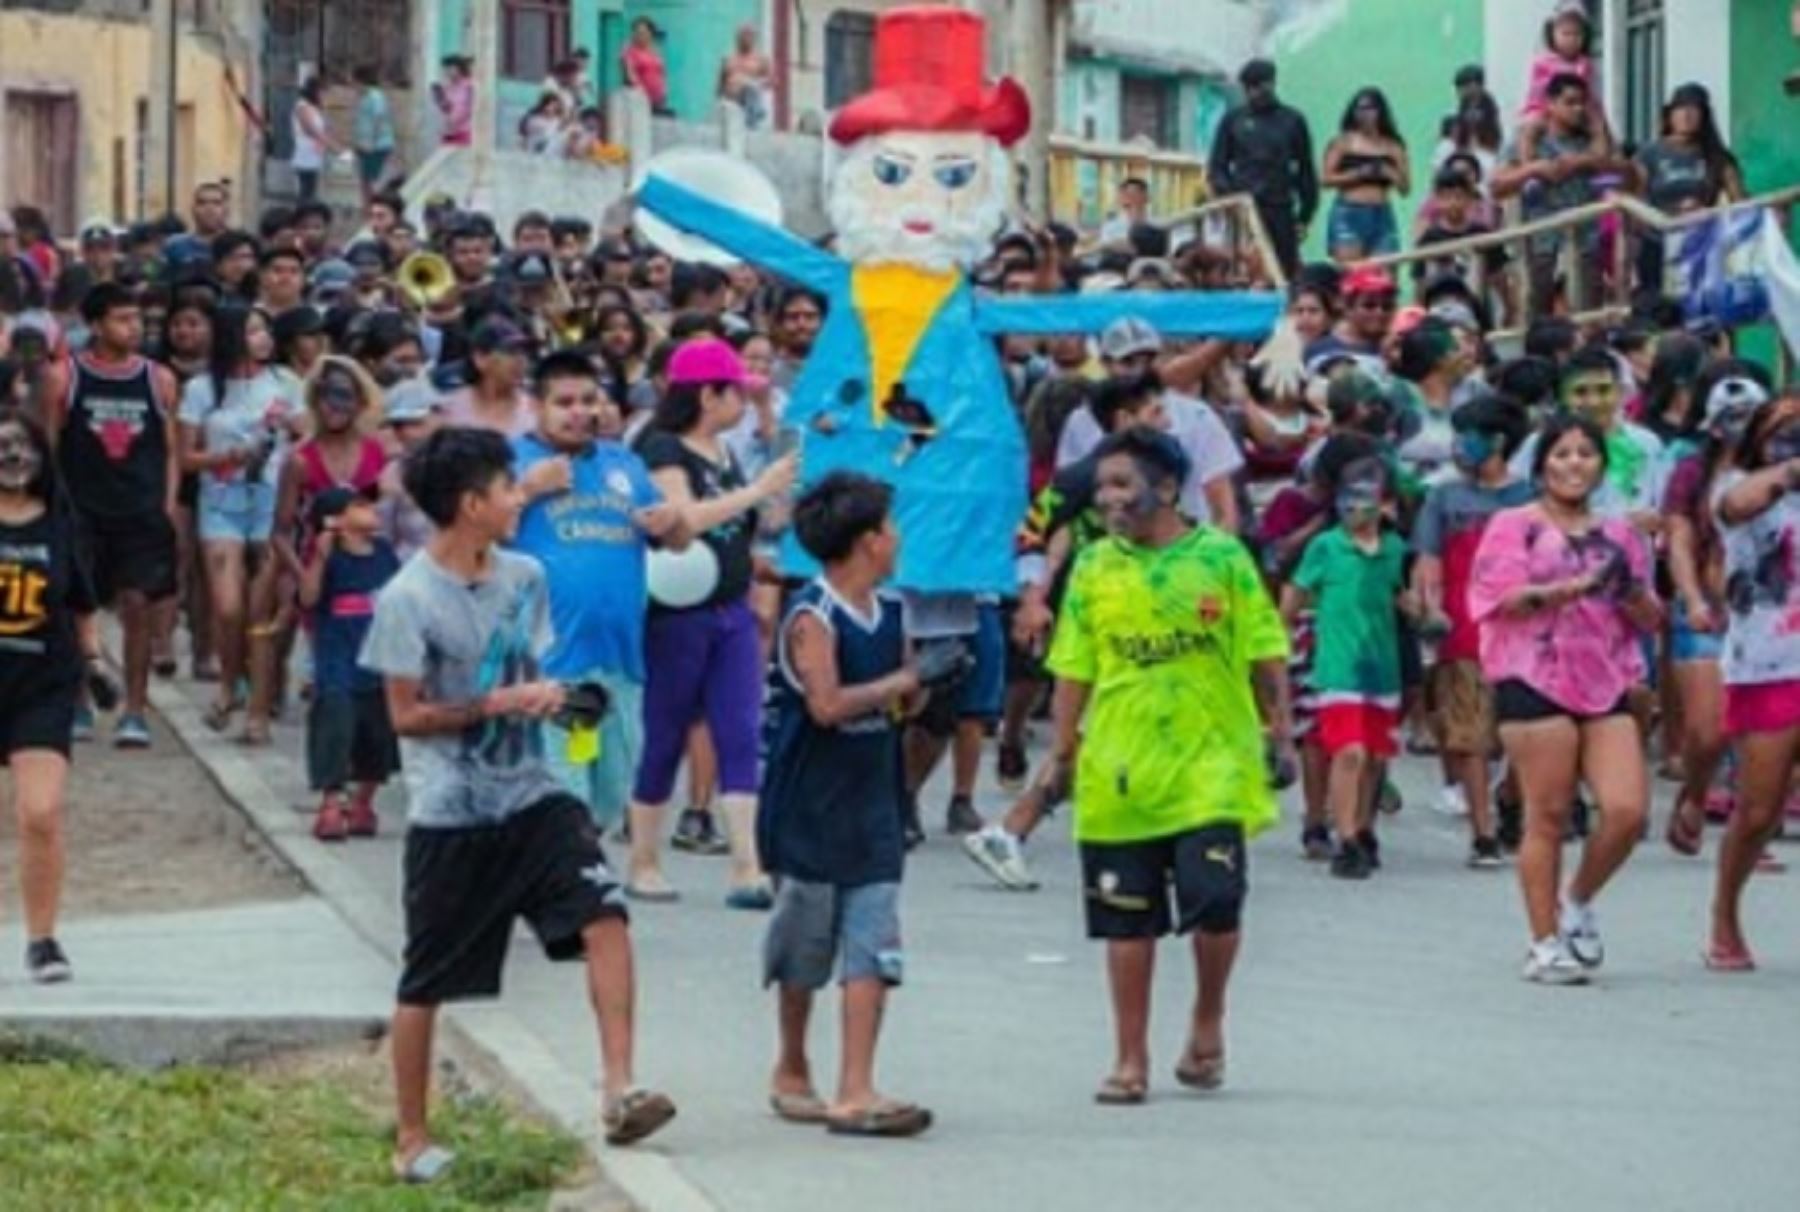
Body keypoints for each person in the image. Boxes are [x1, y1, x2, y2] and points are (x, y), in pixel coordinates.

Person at [359, 427, 675, 1181]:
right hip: (452, 811)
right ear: (472, 504)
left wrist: (564, 704)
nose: (518, 498)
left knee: (606, 916)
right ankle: (410, 1137)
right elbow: (405, 716)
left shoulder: (526, 575)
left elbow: (530, 668)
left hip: (535, 794)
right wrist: (495, 702)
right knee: (426, 980)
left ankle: (619, 1088)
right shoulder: (405, 599)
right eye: (508, 488)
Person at [1047, 428, 1291, 1103]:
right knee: (1127, 918)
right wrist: (1062, 754)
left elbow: (1266, 647)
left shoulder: (1222, 558)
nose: (1108, 499)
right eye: (1101, 488)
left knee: (1214, 901)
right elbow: (1073, 666)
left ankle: (1208, 1016)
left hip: (1212, 763)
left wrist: (1282, 730)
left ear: (1164, 488)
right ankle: (1130, 1058)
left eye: (1122, 485)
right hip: (1120, 770)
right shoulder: (1095, 566)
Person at [761, 471, 939, 1137]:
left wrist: (924, 685)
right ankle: (792, 1062)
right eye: (888, 529)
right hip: (809, 799)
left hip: (873, 798)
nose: (896, 540)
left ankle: (857, 1083)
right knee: (805, 943)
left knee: (873, 940)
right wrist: (900, 681)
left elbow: (903, 698)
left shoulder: (893, 611)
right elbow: (827, 705)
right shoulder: (813, 615)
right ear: (866, 541)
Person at [1469, 413, 1662, 985]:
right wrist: (1566, 590)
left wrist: (1626, 588)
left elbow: (1650, 616)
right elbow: (1498, 600)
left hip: (1605, 676)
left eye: (1585, 453)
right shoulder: (1513, 525)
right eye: (1562, 454)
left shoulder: (1622, 534)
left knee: (1626, 810)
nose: (1574, 464)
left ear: (1602, 464)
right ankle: (1543, 940)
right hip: (1532, 674)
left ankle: (1578, 899)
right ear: (1542, 464)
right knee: (1548, 812)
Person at [625, 338, 796, 905]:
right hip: (677, 615)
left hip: (732, 609)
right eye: (734, 391)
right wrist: (756, 491)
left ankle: (746, 865)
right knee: (666, 733)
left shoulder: (724, 451)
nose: (743, 402)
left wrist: (758, 558)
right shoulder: (663, 447)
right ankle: (644, 859)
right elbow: (685, 519)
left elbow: (737, 527)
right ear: (707, 394)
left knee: (740, 730)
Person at [510, 351, 686, 832]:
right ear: (535, 405)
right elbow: (476, 534)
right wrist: (526, 491)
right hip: (550, 665)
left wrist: (673, 522)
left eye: (589, 400)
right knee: (564, 805)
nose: (579, 412)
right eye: (564, 401)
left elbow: (676, 539)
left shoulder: (625, 464)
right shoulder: (513, 461)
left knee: (608, 803)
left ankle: (573, 888)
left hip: (620, 662)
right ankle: (567, 900)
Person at [39, 283, 180, 748]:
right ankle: (79, 698)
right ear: (96, 325)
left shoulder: (158, 379)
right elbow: (48, 446)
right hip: (81, 512)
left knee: (139, 605)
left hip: (139, 512)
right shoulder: (65, 377)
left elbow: (172, 448)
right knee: (74, 609)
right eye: (122, 318)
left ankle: (135, 710)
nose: (133, 327)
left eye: (137, 318)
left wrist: (168, 503)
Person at [0, 410, 111, 982]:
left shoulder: (62, 526)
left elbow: (82, 606)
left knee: (40, 812)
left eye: (23, 447)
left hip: (42, 685)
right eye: (3, 448)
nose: (13, 458)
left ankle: (42, 940)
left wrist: (94, 663)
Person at [1412, 393, 1533, 863]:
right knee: (1470, 735)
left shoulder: (1531, 498)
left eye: (1470, 436)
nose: (1460, 445)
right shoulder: (1443, 498)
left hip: (1523, 633)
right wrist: (1430, 609)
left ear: (1498, 441)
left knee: (1521, 732)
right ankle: (1483, 833)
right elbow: (1428, 562)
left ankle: (1512, 798)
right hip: (1463, 630)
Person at [1283, 445, 1412, 879]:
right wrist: (1280, 636)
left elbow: (1400, 596)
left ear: (1386, 502)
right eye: (1348, 496)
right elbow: (1296, 592)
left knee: (1374, 756)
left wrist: (1427, 614)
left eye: (1367, 496)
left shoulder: (1395, 548)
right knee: (1349, 751)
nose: (1356, 505)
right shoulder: (1325, 546)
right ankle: (1347, 836)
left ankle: (1362, 826)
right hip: (1336, 666)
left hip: (1381, 666)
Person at [176, 304, 303, 744]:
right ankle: (230, 682)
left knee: (258, 614)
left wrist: (295, 424)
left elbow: (308, 432)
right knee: (227, 608)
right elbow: (185, 457)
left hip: (272, 506)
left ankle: (256, 713)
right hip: (221, 503)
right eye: (253, 330)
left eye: (265, 330)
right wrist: (223, 458)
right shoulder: (200, 389)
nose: (264, 338)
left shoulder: (286, 383)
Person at [1704, 394, 1800, 971]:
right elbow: (1736, 505)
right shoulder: (1739, 484)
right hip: (1770, 661)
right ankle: (1725, 912)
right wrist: (1789, 470)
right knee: (1760, 810)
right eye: (1784, 429)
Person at [1663, 371, 1768, 857]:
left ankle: (1750, 832)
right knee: (1707, 730)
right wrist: (1691, 599)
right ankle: (1696, 792)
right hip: (1705, 608)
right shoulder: (1691, 471)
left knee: (1760, 729)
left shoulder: (1778, 472)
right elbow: (1679, 538)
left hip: (1766, 613)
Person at [1057, 318, 1242, 533]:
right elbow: (1066, 500)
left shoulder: (1198, 416)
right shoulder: (1080, 421)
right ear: (1105, 363)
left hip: (1191, 547)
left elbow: (1223, 508)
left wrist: (1219, 559)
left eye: (1149, 359)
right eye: (1128, 361)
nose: (1140, 370)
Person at [298, 483, 399, 842]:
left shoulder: (384, 552)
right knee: (335, 727)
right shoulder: (330, 558)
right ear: (336, 520)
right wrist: (320, 557)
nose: (370, 509)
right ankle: (331, 802)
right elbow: (308, 598)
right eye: (358, 505)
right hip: (338, 662)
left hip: (379, 662)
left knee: (378, 735)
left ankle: (363, 801)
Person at [1491, 74, 1628, 317]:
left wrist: (1588, 159)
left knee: (1587, 313)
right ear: (1550, 104)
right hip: (1541, 241)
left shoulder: (1594, 140)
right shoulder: (1527, 138)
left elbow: (1624, 176)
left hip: (1586, 240)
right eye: (1570, 102)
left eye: (1582, 102)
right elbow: (1496, 186)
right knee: (1539, 313)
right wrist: (1533, 169)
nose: (1578, 109)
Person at [1208, 59, 1318, 280]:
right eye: (1251, 87)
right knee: (1243, 268)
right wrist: (1230, 197)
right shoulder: (1233, 120)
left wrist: (1305, 215)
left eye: (1262, 86)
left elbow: (1306, 171)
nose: (1257, 92)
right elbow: (1217, 166)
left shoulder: (1292, 120)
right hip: (1243, 208)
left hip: (1280, 207)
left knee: (1282, 269)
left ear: (1272, 84)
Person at [1322, 87, 1409, 264]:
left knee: (1385, 272)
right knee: (1352, 272)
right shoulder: (1343, 142)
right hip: (1349, 212)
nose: (1365, 114)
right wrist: (1358, 173)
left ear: (1380, 112)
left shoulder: (1393, 146)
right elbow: (1325, 179)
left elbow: (1405, 189)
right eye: (1360, 109)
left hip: (1381, 213)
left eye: (1370, 108)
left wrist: (1389, 173)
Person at [290, 75, 341, 203]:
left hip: (314, 155)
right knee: (306, 192)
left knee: (310, 190)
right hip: (304, 155)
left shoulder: (314, 108)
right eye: (322, 91)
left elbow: (324, 128)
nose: (324, 95)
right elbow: (310, 130)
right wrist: (331, 145)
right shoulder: (302, 106)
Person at [352, 65, 398, 205]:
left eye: (354, 81)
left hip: (375, 146)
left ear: (361, 81)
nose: (353, 85)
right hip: (364, 145)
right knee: (365, 180)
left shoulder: (375, 96)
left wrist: (370, 142)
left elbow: (379, 119)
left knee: (373, 180)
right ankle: (368, 207)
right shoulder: (363, 97)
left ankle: (374, 207)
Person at [718, 24, 773, 129]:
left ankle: (752, 123)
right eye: (743, 35)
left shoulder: (760, 59)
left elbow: (772, 81)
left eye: (750, 35)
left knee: (750, 88)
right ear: (737, 38)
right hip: (732, 101)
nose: (746, 39)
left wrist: (754, 83)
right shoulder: (728, 58)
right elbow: (720, 87)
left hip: (751, 100)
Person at [622, 18, 672, 117]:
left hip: (658, 100)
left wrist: (664, 91)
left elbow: (662, 73)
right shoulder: (630, 52)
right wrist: (640, 94)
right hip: (640, 101)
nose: (639, 36)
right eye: (636, 32)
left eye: (642, 33)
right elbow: (630, 76)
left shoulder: (655, 51)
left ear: (650, 34)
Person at [432, 55, 475, 148]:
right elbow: (445, 109)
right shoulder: (447, 88)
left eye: (450, 68)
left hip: (464, 132)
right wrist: (439, 98)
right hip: (448, 132)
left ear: (459, 69)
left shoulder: (469, 86)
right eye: (445, 69)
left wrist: (454, 121)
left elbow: (468, 109)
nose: (447, 72)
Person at [1099, 178, 1153, 246]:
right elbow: (1106, 249)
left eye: (1134, 194)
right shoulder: (1111, 227)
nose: (1130, 198)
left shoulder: (1159, 225)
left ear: (1147, 197)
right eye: (1126, 194)